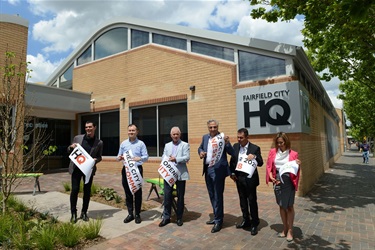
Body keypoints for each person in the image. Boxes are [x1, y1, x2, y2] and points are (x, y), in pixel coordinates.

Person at [198, 119, 235, 233]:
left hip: (218, 170)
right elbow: (200, 148)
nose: (213, 129)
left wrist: (227, 143)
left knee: (218, 195)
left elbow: (232, 152)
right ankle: (216, 216)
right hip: (208, 169)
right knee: (212, 194)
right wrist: (201, 152)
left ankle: (219, 220)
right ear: (208, 128)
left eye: (215, 127)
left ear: (218, 127)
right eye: (211, 127)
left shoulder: (222, 138)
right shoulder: (205, 137)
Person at [266, 132, 301, 242]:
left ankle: (290, 230)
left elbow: (295, 170)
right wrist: (271, 177)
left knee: (289, 206)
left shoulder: (293, 154)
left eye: (281, 142)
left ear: (286, 142)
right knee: (281, 205)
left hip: (288, 181)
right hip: (276, 180)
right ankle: (285, 228)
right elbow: (269, 166)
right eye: (277, 143)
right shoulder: (273, 152)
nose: (279, 145)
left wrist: (298, 164)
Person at [229, 128, 263, 235]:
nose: (239, 140)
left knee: (252, 201)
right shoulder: (235, 147)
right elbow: (232, 162)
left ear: (247, 137)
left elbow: (261, 162)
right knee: (243, 200)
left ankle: (254, 223)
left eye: (241, 138)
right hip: (239, 178)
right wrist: (232, 173)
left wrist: (255, 157)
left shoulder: (255, 148)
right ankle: (246, 220)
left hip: (250, 179)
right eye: (238, 137)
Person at [68, 121, 103, 223]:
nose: (88, 129)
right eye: (86, 127)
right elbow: (69, 150)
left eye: (90, 127)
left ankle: (84, 212)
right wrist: (71, 147)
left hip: (88, 170)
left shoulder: (99, 142)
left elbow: (100, 157)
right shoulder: (77, 138)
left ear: (94, 127)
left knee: (87, 191)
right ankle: (73, 213)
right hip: (76, 169)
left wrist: (96, 160)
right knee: (74, 190)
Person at [117, 124, 149, 224]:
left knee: (137, 193)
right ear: (127, 132)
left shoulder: (141, 144)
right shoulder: (124, 143)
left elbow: (146, 156)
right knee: (128, 192)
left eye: (133, 130)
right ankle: (130, 214)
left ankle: (137, 214)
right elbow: (118, 156)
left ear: (137, 132)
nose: (131, 132)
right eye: (130, 130)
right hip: (126, 170)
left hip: (137, 170)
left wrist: (139, 158)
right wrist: (120, 158)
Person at [159, 127, 190, 227]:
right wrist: (166, 160)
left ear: (180, 135)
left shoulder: (185, 145)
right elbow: (164, 156)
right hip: (169, 175)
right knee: (167, 196)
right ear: (171, 135)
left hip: (180, 175)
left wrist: (176, 159)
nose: (175, 136)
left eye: (177, 134)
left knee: (180, 197)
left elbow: (186, 157)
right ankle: (166, 217)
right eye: (174, 134)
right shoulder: (167, 145)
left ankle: (179, 217)